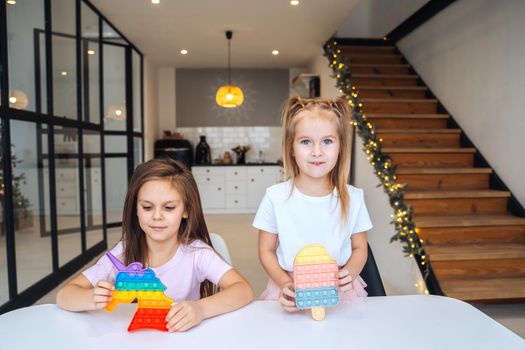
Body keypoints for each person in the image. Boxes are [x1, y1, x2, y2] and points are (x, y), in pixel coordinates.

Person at [57, 158, 254, 331]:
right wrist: (91, 297)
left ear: (186, 210)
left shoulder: (198, 254)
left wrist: (201, 309)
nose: (157, 216)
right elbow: (64, 296)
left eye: (169, 207)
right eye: (147, 207)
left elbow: (243, 290)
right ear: (135, 208)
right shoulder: (124, 252)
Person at [254, 96, 373, 312]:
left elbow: (359, 247)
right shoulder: (275, 197)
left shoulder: (353, 198)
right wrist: (284, 283)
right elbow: (266, 251)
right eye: (306, 141)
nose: (316, 152)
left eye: (327, 141)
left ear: (340, 147)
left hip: (339, 290)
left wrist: (352, 272)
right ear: (291, 147)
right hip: (293, 287)